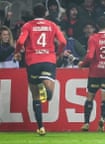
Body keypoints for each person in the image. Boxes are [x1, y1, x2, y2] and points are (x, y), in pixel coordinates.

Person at [14, 3, 66, 136]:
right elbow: (63, 42)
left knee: (35, 96)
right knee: (48, 95)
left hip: (32, 61)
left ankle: (41, 127)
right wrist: (58, 53)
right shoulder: (52, 25)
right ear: (45, 13)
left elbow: (20, 42)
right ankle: (45, 85)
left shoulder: (28, 25)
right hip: (48, 59)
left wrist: (18, 52)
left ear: (34, 13)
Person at [79, 16, 105, 132]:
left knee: (90, 97)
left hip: (95, 72)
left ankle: (86, 123)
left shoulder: (93, 38)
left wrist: (82, 64)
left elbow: (90, 56)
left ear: (97, 26)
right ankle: (102, 119)